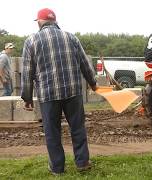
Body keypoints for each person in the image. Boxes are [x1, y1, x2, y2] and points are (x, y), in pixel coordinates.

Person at [21, 8, 97, 175]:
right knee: (77, 128)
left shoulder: (31, 41)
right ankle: (82, 163)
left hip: (48, 95)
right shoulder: (71, 37)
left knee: (52, 132)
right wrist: (93, 83)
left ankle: (57, 168)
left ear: (39, 22)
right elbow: (85, 64)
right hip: (73, 92)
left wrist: (27, 97)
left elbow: (27, 72)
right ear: (54, 21)